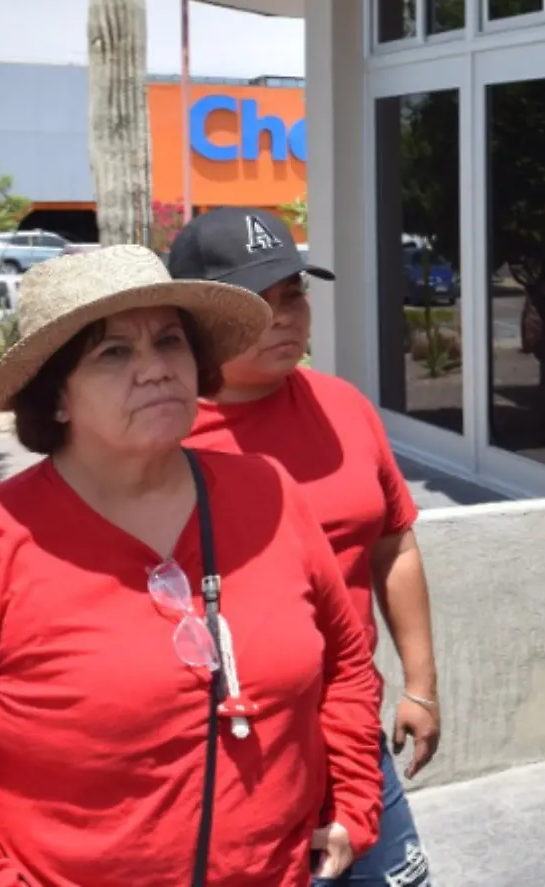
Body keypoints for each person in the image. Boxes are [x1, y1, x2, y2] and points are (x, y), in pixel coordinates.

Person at [0, 245, 383, 885]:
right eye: (113, 353)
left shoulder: (268, 494)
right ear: (56, 398)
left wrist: (353, 798)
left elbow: (347, 662)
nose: (156, 369)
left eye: (170, 342)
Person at [166, 207, 440, 887]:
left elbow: (393, 547)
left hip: (352, 740)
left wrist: (422, 687)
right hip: (234, 762)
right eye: (257, 302)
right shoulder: (157, 441)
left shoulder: (344, 407)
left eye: (294, 294)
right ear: (199, 319)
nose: (285, 317)